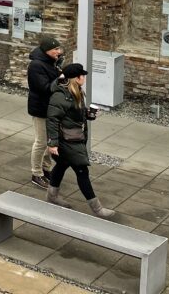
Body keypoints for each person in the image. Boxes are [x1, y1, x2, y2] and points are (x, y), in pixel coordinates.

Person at [46, 63, 115, 218]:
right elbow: (52, 120)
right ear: (76, 78)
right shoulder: (60, 95)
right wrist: (52, 143)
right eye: (82, 75)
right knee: (82, 171)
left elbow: (73, 114)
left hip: (74, 138)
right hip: (67, 141)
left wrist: (88, 115)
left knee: (62, 165)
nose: (84, 78)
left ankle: (52, 196)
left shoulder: (76, 92)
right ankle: (97, 209)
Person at [27, 37, 64, 189]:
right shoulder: (36, 65)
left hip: (51, 108)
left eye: (59, 49)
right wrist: (60, 79)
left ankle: (45, 169)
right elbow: (44, 88)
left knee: (50, 141)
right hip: (41, 109)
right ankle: (36, 173)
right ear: (47, 50)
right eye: (55, 49)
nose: (59, 51)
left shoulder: (51, 62)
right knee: (41, 142)